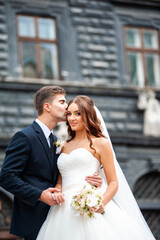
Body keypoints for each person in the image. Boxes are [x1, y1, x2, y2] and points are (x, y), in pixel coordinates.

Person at [36, 95, 156, 240]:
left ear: (88, 116)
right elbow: (60, 179)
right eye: (69, 114)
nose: (72, 118)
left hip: (91, 204)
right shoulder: (64, 145)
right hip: (62, 208)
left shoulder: (101, 143)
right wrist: (57, 191)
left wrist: (101, 203)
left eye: (77, 114)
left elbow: (113, 182)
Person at [0, 87, 102, 240]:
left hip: (61, 218)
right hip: (34, 220)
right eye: (62, 102)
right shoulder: (24, 137)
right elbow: (6, 177)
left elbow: (64, 174)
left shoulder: (57, 142)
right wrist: (40, 195)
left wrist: (90, 181)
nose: (67, 106)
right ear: (47, 107)